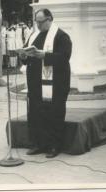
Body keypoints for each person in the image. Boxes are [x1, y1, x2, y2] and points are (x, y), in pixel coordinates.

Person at [20, 8, 72, 158]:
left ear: (50, 19)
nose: (38, 25)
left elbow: (64, 57)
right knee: (36, 114)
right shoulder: (34, 35)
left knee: (54, 114)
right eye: (36, 22)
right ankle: (38, 144)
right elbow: (28, 55)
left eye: (40, 22)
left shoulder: (61, 36)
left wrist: (45, 56)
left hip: (55, 84)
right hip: (36, 84)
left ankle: (54, 146)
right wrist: (23, 55)